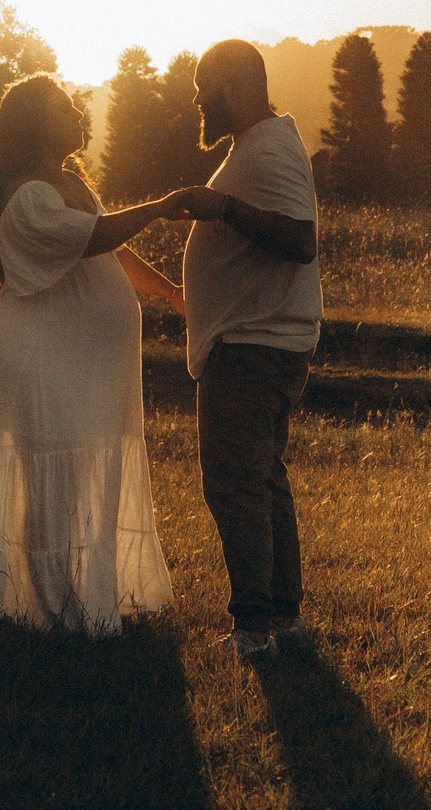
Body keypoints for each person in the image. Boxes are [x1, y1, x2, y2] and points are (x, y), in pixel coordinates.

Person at [0, 72, 192, 631]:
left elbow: (107, 249)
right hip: (41, 357)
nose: (77, 114)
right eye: (63, 110)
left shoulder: (71, 183)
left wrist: (168, 291)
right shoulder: (29, 196)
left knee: (84, 470)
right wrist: (160, 206)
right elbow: (95, 238)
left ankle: (83, 597)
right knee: (49, 477)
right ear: (35, 126)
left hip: (82, 362)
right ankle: (46, 607)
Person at [173, 38, 321, 660]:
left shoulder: (269, 149)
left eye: (205, 86)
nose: (198, 99)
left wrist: (224, 208)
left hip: (253, 347)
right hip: (257, 342)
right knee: (262, 480)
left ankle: (254, 629)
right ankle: (283, 618)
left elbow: (300, 240)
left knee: (235, 485)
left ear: (237, 85)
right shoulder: (256, 148)